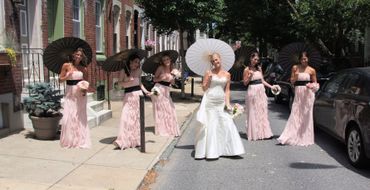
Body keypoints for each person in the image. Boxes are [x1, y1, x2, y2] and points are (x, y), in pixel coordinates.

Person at [194, 53, 245, 160]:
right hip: (210, 101)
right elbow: (204, 89)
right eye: (212, 61)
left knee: (226, 122)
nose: (215, 62)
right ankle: (211, 151)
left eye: (216, 60)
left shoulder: (227, 74)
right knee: (211, 124)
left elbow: (227, 90)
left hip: (221, 101)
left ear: (220, 59)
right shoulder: (208, 73)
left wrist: (227, 103)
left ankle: (229, 149)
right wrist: (208, 81)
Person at [277, 51, 318, 146]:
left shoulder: (312, 70)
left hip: (308, 94)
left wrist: (312, 86)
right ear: (299, 59)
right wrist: (295, 76)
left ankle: (304, 136)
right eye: (302, 59)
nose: (304, 60)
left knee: (306, 115)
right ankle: (292, 135)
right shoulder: (295, 68)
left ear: (308, 59)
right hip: (298, 93)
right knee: (296, 113)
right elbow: (291, 81)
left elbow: (315, 83)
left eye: (305, 58)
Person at [113, 54, 150, 149]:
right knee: (125, 117)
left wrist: (146, 92)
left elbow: (140, 84)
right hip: (128, 96)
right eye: (135, 62)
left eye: (138, 62)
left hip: (138, 95)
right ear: (130, 62)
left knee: (136, 118)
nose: (137, 64)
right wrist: (128, 82)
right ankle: (123, 140)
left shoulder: (139, 71)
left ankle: (135, 139)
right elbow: (120, 84)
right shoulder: (123, 71)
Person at [59, 48, 91, 148]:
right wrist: (67, 76)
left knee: (79, 116)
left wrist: (85, 90)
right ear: (73, 55)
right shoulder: (66, 65)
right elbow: (60, 80)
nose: (79, 57)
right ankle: (70, 139)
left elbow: (86, 82)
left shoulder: (83, 68)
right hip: (70, 94)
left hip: (80, 95)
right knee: (69, 116)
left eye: (81, 55)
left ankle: (80, 139)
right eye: (77, 54)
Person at [243, 52, 276, 141]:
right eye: (254, 59)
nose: (256, 61)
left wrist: (271, 86)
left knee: (261, 111)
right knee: (253, 112)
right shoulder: (246, 69)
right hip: (252, 90)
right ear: (251, 59)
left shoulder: (259, 68)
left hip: (261, 91)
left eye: (257, 60)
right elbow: (245, 83)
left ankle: (264, 133)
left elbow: (262, 81)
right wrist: (249, 76)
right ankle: (254, 133)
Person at [151, 53, 181, 137]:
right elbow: (154, 79)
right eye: (164, 60)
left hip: (166, 90)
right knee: (161, 110)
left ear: (170, 60)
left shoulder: (173, 69)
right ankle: (162, 129)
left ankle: (169, 128)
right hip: (159, 89)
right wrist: (160, 78)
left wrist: (174, 77)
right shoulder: (160, 68)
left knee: (170, 109)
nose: (166, 61)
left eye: (167, 59)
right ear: (162, 62)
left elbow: (173, 83)